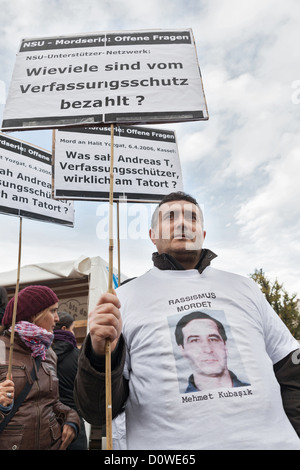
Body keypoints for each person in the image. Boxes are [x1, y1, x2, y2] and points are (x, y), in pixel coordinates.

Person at [74, 191, 300, 450]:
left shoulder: (245, 287)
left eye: (192, 218)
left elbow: (290, 368)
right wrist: (99, 354)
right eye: (170, 217)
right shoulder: (123, 299)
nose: (182, 223)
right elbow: (96, 411)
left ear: (202, 234)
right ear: (152, 235)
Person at [0, 285, 80, 450]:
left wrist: (71, 417)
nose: (57, 318)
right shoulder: (1, 347)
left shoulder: (48, 352)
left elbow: (52, 402)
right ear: (34, 314)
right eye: (52, 311)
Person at [175, 311, 250, 392]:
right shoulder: (174, 403)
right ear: (182, 350)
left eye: (213, 339)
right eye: (195, 340)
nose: (208, 350)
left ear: (225, 345)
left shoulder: (259, 391)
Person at [52, 312, 88, 450]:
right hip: (74, 422)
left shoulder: (43, 353)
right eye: (72, 329)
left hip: (48, 422)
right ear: (65, 329)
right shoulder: (78, 356)